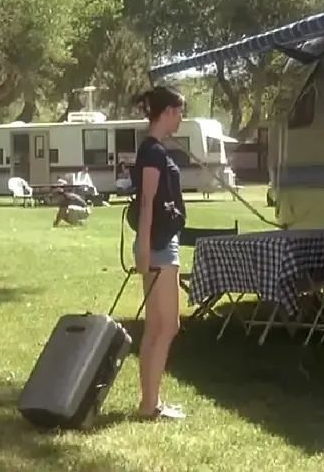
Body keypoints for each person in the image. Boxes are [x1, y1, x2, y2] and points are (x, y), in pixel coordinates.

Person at [130, 85, 187, 421]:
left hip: (159, 242)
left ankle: (149, 402)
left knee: (156, 326)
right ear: (167, 112)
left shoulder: (153, 149)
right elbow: (147, 202)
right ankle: (150, 404)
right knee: (167, 326)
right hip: (160, 245)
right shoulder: (153, 152)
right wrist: (144, 246)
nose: (181, 119)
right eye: (179, 113)